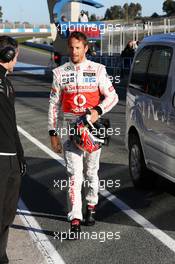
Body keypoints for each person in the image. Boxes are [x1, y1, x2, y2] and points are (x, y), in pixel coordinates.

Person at [48, 31, 118, 238]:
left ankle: (92, 205)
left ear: (86, 48)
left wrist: (97, 111)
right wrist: (53, 132)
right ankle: (75, 218)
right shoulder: (59, 72)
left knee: (91, 173)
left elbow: (112, 96)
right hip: (71, 132)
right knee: (73, 175)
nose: (74, 51)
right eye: (71, 47)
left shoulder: (97, 69)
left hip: (92, 132)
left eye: (78, 47)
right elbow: (53, 105)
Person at [0, 36, 26, 263]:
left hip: (10, 156)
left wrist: (19, 152)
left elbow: (11, 120)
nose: (17, 59)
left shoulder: (7, 83)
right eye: (16, 54)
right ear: (7, 55)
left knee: (7, 214)